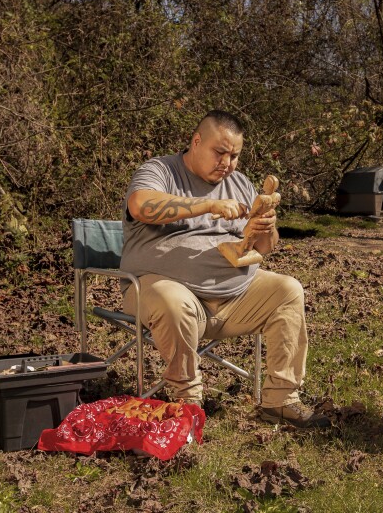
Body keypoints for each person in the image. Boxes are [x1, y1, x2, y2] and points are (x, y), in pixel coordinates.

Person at [119, 109, 329, 428]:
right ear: (197, 141)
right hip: (161, 289)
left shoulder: (240, 183)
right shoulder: (160, 169)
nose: (227, 163)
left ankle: (280, 401)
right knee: (171, 300)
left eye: (235, 156)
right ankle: (187, 402)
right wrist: (208, 205)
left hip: (233, 298)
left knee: (288, 290)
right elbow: (141, 205)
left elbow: (264, 248)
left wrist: (266, 227)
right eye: (220, 152)